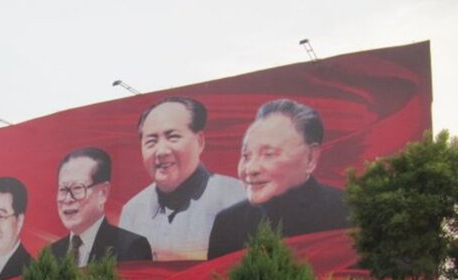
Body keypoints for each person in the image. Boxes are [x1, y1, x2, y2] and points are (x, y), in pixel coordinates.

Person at [207, 99, 350, 259]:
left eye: (268, 154)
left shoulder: (348, 212)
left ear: (310, 158)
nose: (250, 169)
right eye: (246, 156)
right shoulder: (228, 224)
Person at [119, 96, 246, 261]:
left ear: (200, 141)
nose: (161, 151)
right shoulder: (132, 211)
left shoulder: (238, 199)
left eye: (173, 137)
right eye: (151, 141)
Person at [50, 147, 152, 266]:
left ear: (103, 193)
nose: (67, 199)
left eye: (77, 188)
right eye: (63, 189)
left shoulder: (131, 248)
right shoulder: (51, 253)